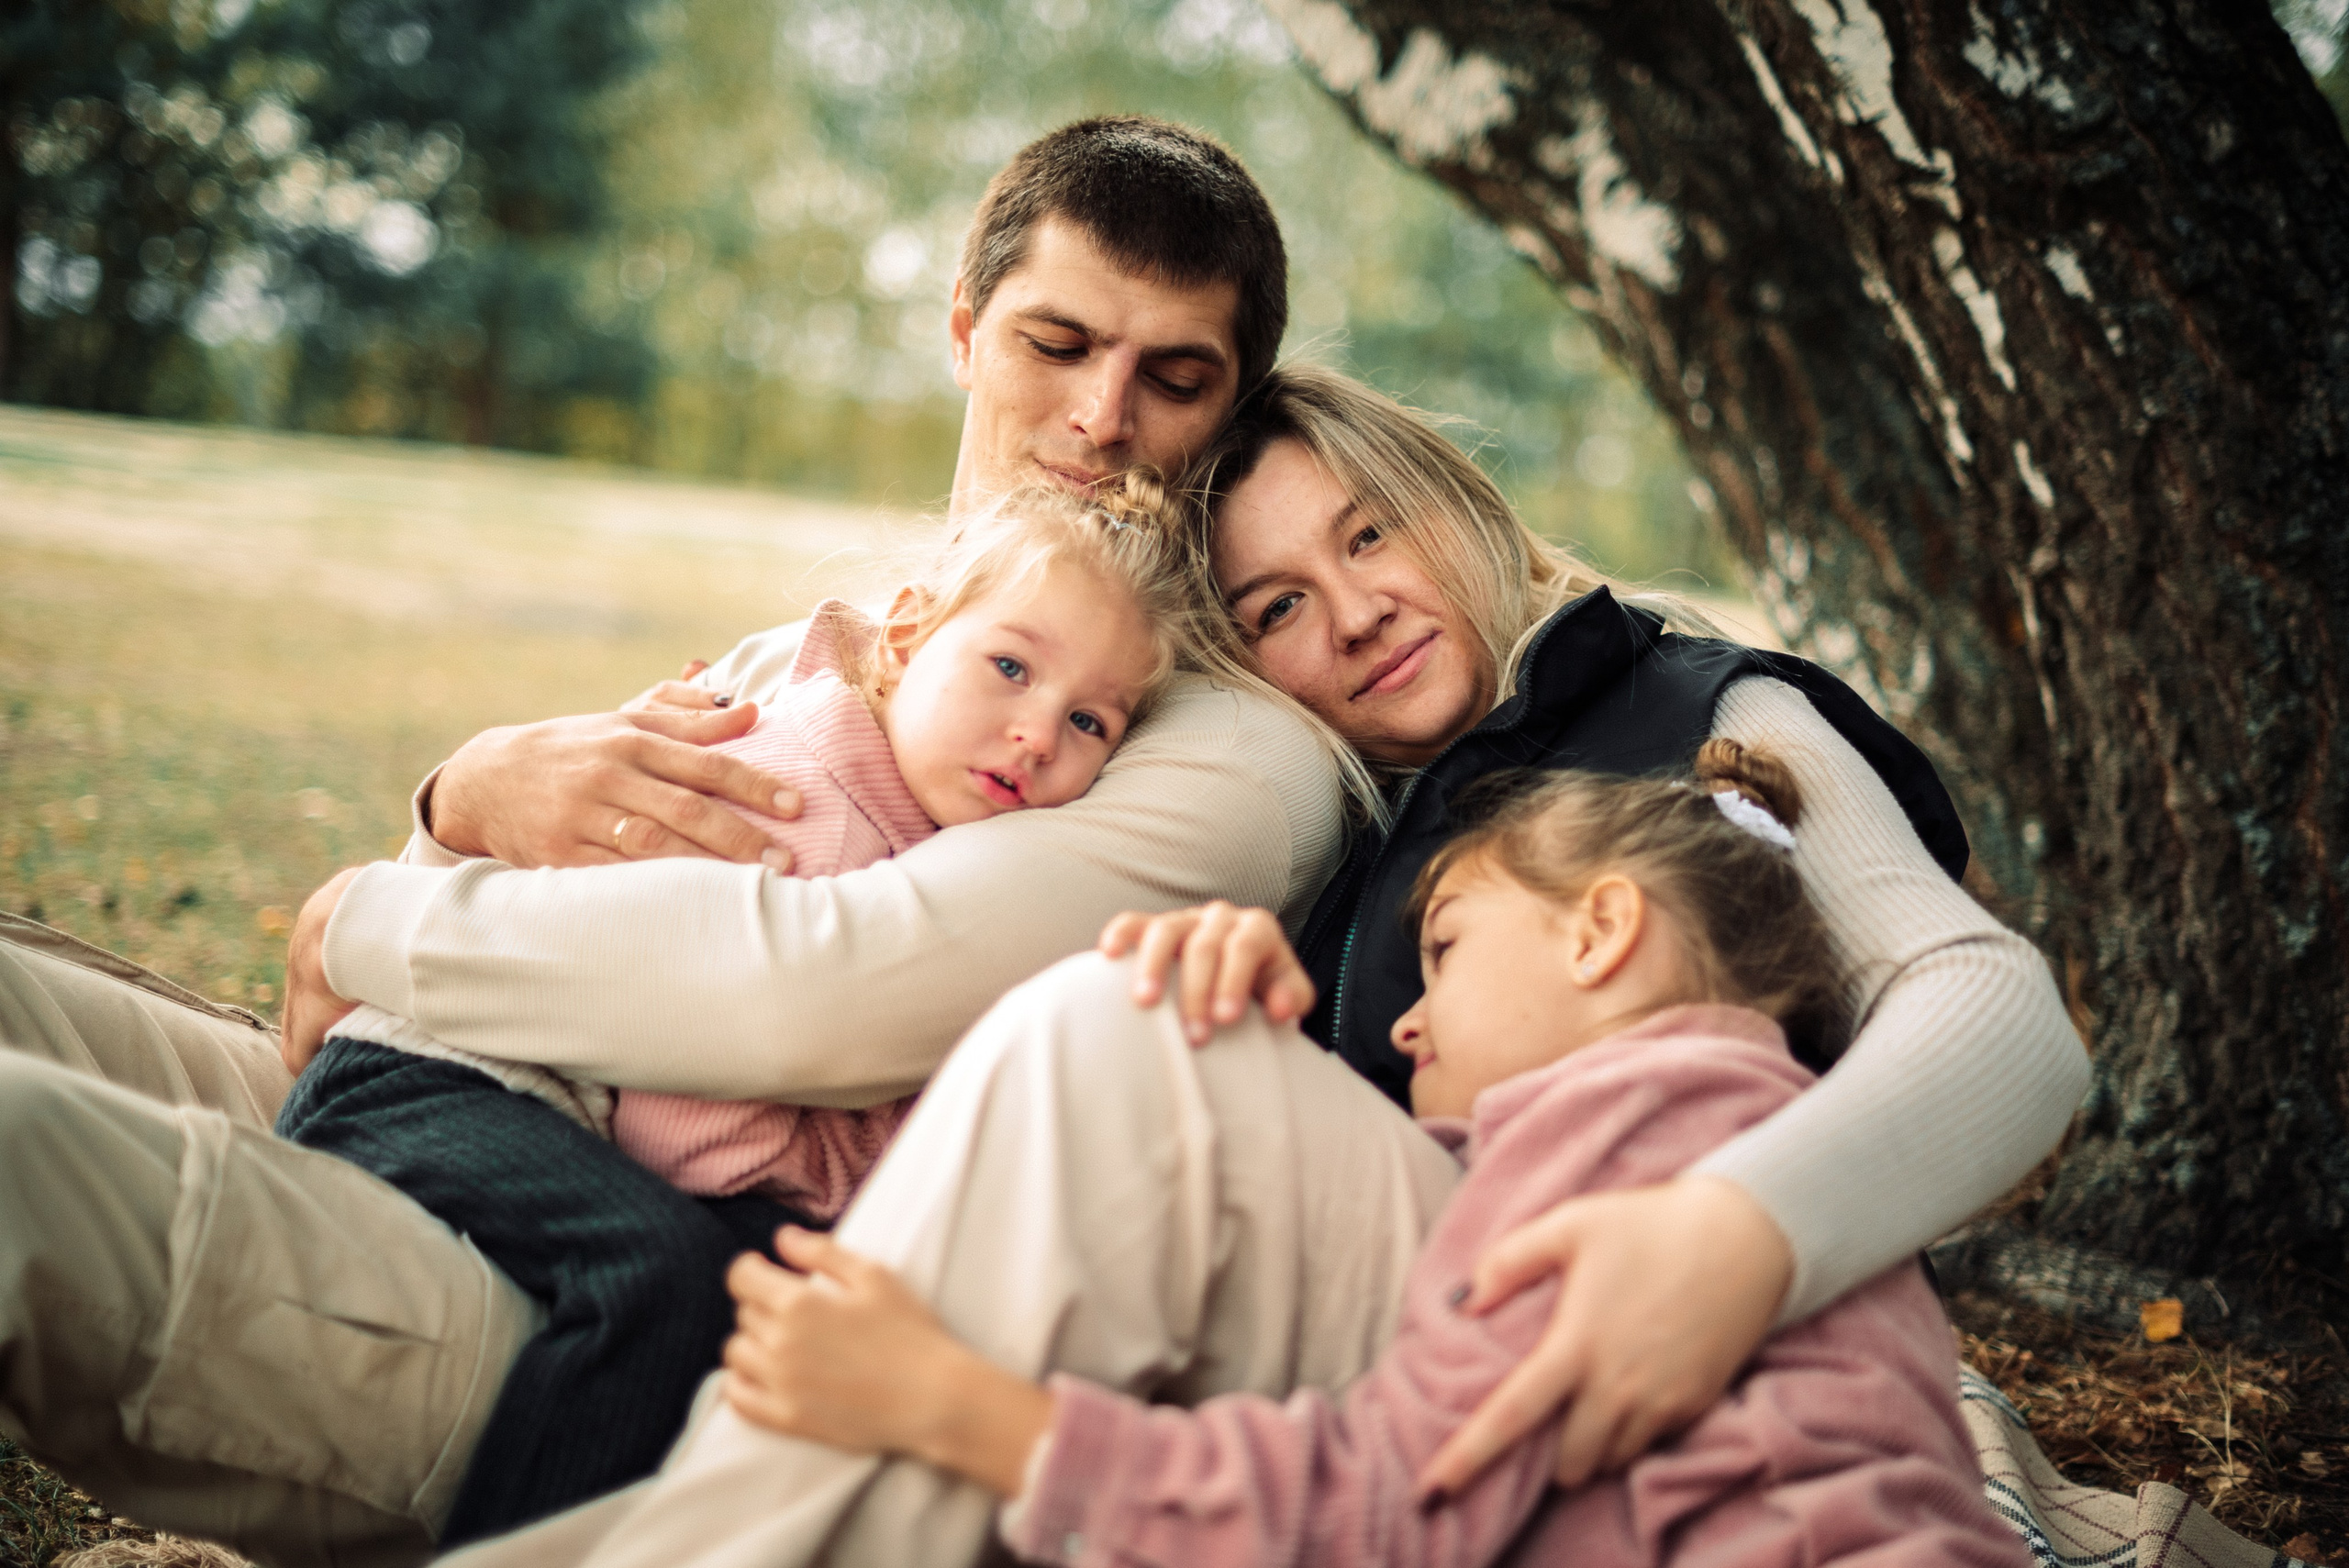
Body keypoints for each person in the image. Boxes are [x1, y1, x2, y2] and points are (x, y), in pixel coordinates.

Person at [421, 367, 2081, 1568]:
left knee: (1097, 1045)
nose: (1352, 613)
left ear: (1461, 502)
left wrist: (1743, 1229)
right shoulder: (1302, 807)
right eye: (1279, 605)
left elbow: (2000, 1018)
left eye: (1374, 536)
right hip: (1373, 1351)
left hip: (1651, 1311)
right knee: (1117, 1016)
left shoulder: (1700, 708)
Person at [0, 115, 1332, 1568]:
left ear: (1234, 408)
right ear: (965, 333)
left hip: (606, 1296)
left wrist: (360, 919)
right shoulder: (813, 651)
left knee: (23, 1153)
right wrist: (460, 800)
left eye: (1174, 376)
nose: (1100, 417)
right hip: (460, 1089)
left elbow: (814, 994)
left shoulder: (1219, 742)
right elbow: (549, 881)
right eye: (1056, 344)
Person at [706, 743, 2032, 1568]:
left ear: (1600, 934)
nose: (1402, 1021)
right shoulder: (1726, 1118)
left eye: (1445, 947)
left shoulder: (1625, 1126)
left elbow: (1389, 1514)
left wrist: (967, 1412)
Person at [270, 477, 1193, 1546]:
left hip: (530, 1096)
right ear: (905, 637)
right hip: (422, 1077)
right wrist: (840, 1204)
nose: (1037, 732)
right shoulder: (804, 809)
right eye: (1010, 666)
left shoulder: (918, 829)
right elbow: (686, 1127)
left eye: (1089, 719)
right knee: (665, 1278)